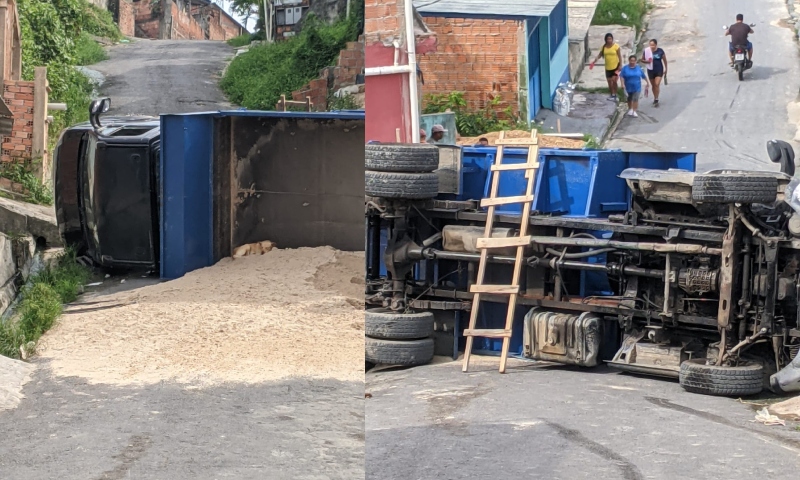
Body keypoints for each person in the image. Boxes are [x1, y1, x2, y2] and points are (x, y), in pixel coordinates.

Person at [590, 33, 623, 102]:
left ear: (612, 39)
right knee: (609, 82)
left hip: (615, 67)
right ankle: (612, 94)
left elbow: (619, 56)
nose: (609, 40)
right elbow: (600, 55)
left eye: (610, 39)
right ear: (606, 40)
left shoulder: (616, 46)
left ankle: (615, 94)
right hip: (608, 68)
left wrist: (620, 65)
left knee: (614, 81)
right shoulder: (603, 47)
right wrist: (594, 61)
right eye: (608, 39)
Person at [641, 39, 667, 107]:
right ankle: (655, 97)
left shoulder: (660, 51)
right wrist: (647, 61)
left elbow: (664, 60)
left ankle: (656, 98)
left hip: (659, 69)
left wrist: (666, 69)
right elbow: (642, 60)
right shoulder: (646, 51)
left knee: (656, 84)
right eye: (650, 45)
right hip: (650, 70)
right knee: (653, 85)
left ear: (656, 45)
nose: (651, 46)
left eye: (653, 45)